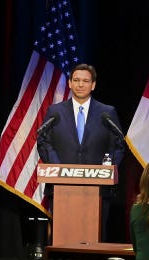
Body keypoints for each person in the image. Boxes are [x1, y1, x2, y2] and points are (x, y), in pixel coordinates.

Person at [37, 63, 126, 242]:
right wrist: (59, 168)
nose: (80, 84)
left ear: (93, 85)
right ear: (69, 83)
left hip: (98, 190)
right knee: (62, 238)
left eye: (85, 81)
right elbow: (44, 141)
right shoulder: (55, 112)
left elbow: (118, 144)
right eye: (76, 80)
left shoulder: (106, 113)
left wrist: (105, 169)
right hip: (61, 188)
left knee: (95, 238)